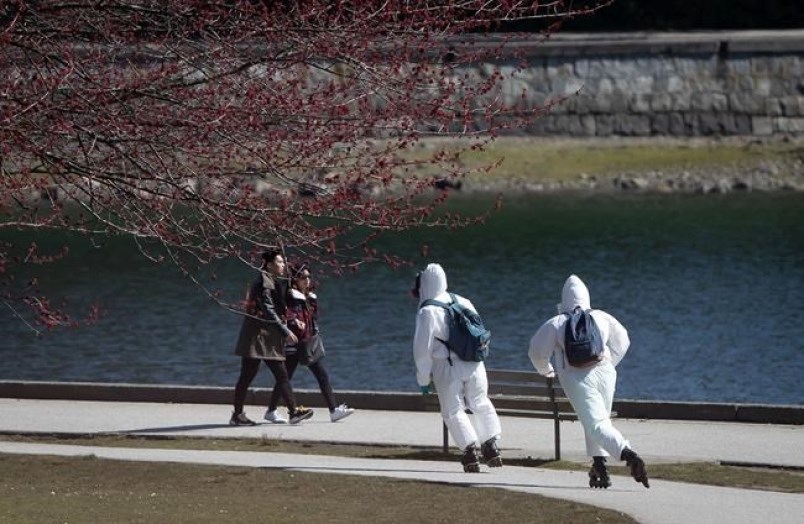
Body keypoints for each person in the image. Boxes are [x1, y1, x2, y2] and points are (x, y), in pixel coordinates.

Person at [528, 274, 649, 489]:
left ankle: (628, 454)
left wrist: (547, 371)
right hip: (605, 372)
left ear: (564, 299)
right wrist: (610, 363)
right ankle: (600, 465)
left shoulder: (557, 322)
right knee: (598, 420)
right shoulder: (602, 317)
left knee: (596, 424)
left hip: (576, 377)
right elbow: (623, 340)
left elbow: (537, 352)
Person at [412, 263, 503, 472]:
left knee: (452, 410)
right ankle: (491, 444)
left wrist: (423, 380)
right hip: (474, 362)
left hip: (447, 366)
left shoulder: (427, 311)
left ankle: (470, 451)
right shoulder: (463, 301)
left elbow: (421, 351)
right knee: (480, 401)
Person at [230, 249, 314, 426]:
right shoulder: (264, 284)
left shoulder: (272, 281)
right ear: (269, 264)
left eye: (283, 262)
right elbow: (269, 311)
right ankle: (239, 415)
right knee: (251, 376)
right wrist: (286, 331)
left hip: (265, 336)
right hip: (258, 337)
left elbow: (279, 308)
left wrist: (291, 321)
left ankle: (292, 412)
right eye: (280, 262)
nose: (284, 265)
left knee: (278, 374)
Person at [265, 263, 355, 423]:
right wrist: (294, 321)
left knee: (303, 377)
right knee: (288, 378)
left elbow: (312, 318)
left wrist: (311, 305)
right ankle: (333, 410)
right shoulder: (291, 296)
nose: (307, 280)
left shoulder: (308, 297)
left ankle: (272, 410)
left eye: (308, 277)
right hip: (295, 343)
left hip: (307, 341)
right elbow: (286, 314)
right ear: (295, 280)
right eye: (302, 277)